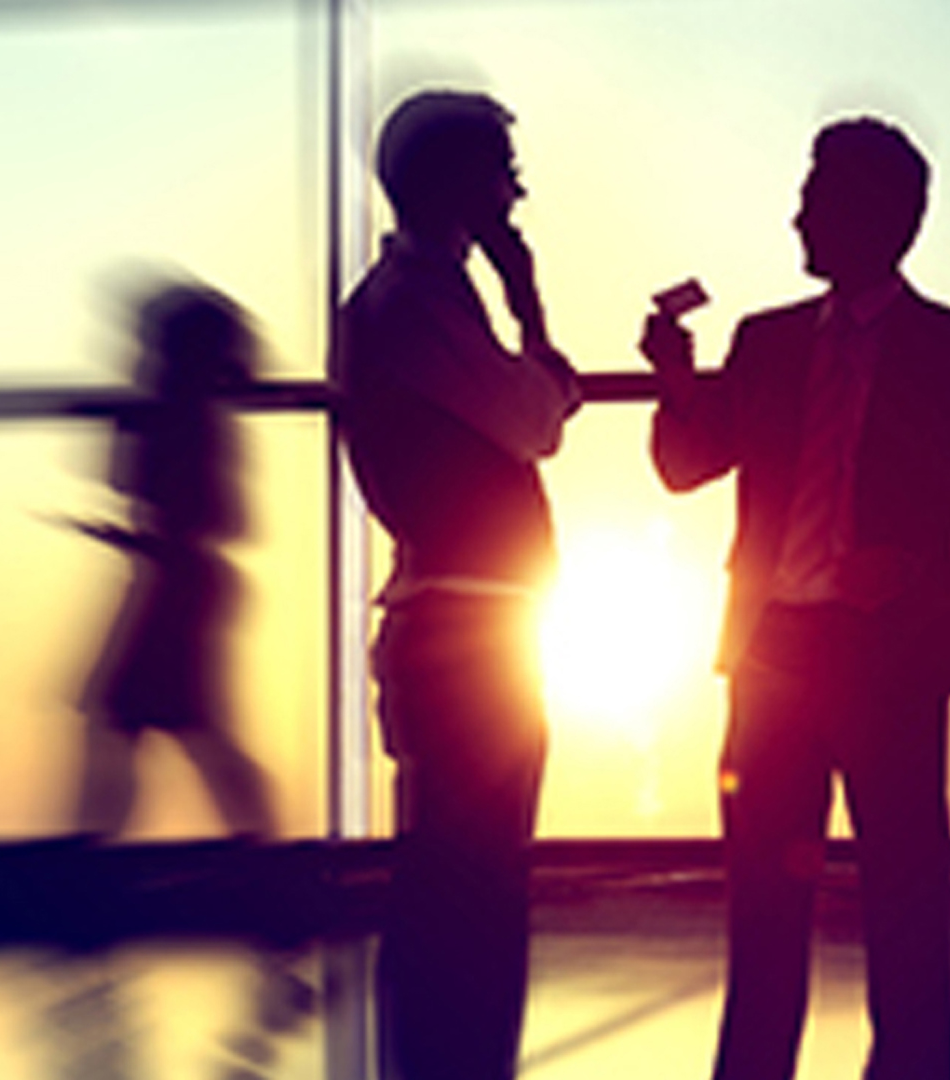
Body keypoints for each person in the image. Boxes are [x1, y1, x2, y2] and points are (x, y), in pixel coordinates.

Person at [639, 117, 950, 1080]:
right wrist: (674, 384)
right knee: (763, 908)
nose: (797, 212)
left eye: (815, 194)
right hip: (773, 656)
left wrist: (924, 571)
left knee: (906, 903)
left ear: (880, 216)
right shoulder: (764, 343)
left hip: (888, 654)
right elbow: (685, 466)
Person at [333, 89, 580, 1080]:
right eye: (499, 170)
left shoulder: (407, 300)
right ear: (450, 183)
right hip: (465, 632)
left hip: (461, 622)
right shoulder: (423, 303)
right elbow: (536, 419)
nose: (516, 192)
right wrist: (531, 309)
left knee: (457, 882)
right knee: (472, 888)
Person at [72, 283, 276, 840]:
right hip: (182, 580)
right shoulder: (195, 415)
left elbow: (187, 504)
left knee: (132, 715)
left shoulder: (178, 414)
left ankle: (97, 844)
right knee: (181, 722)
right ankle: (261, 850)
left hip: (174, 583)